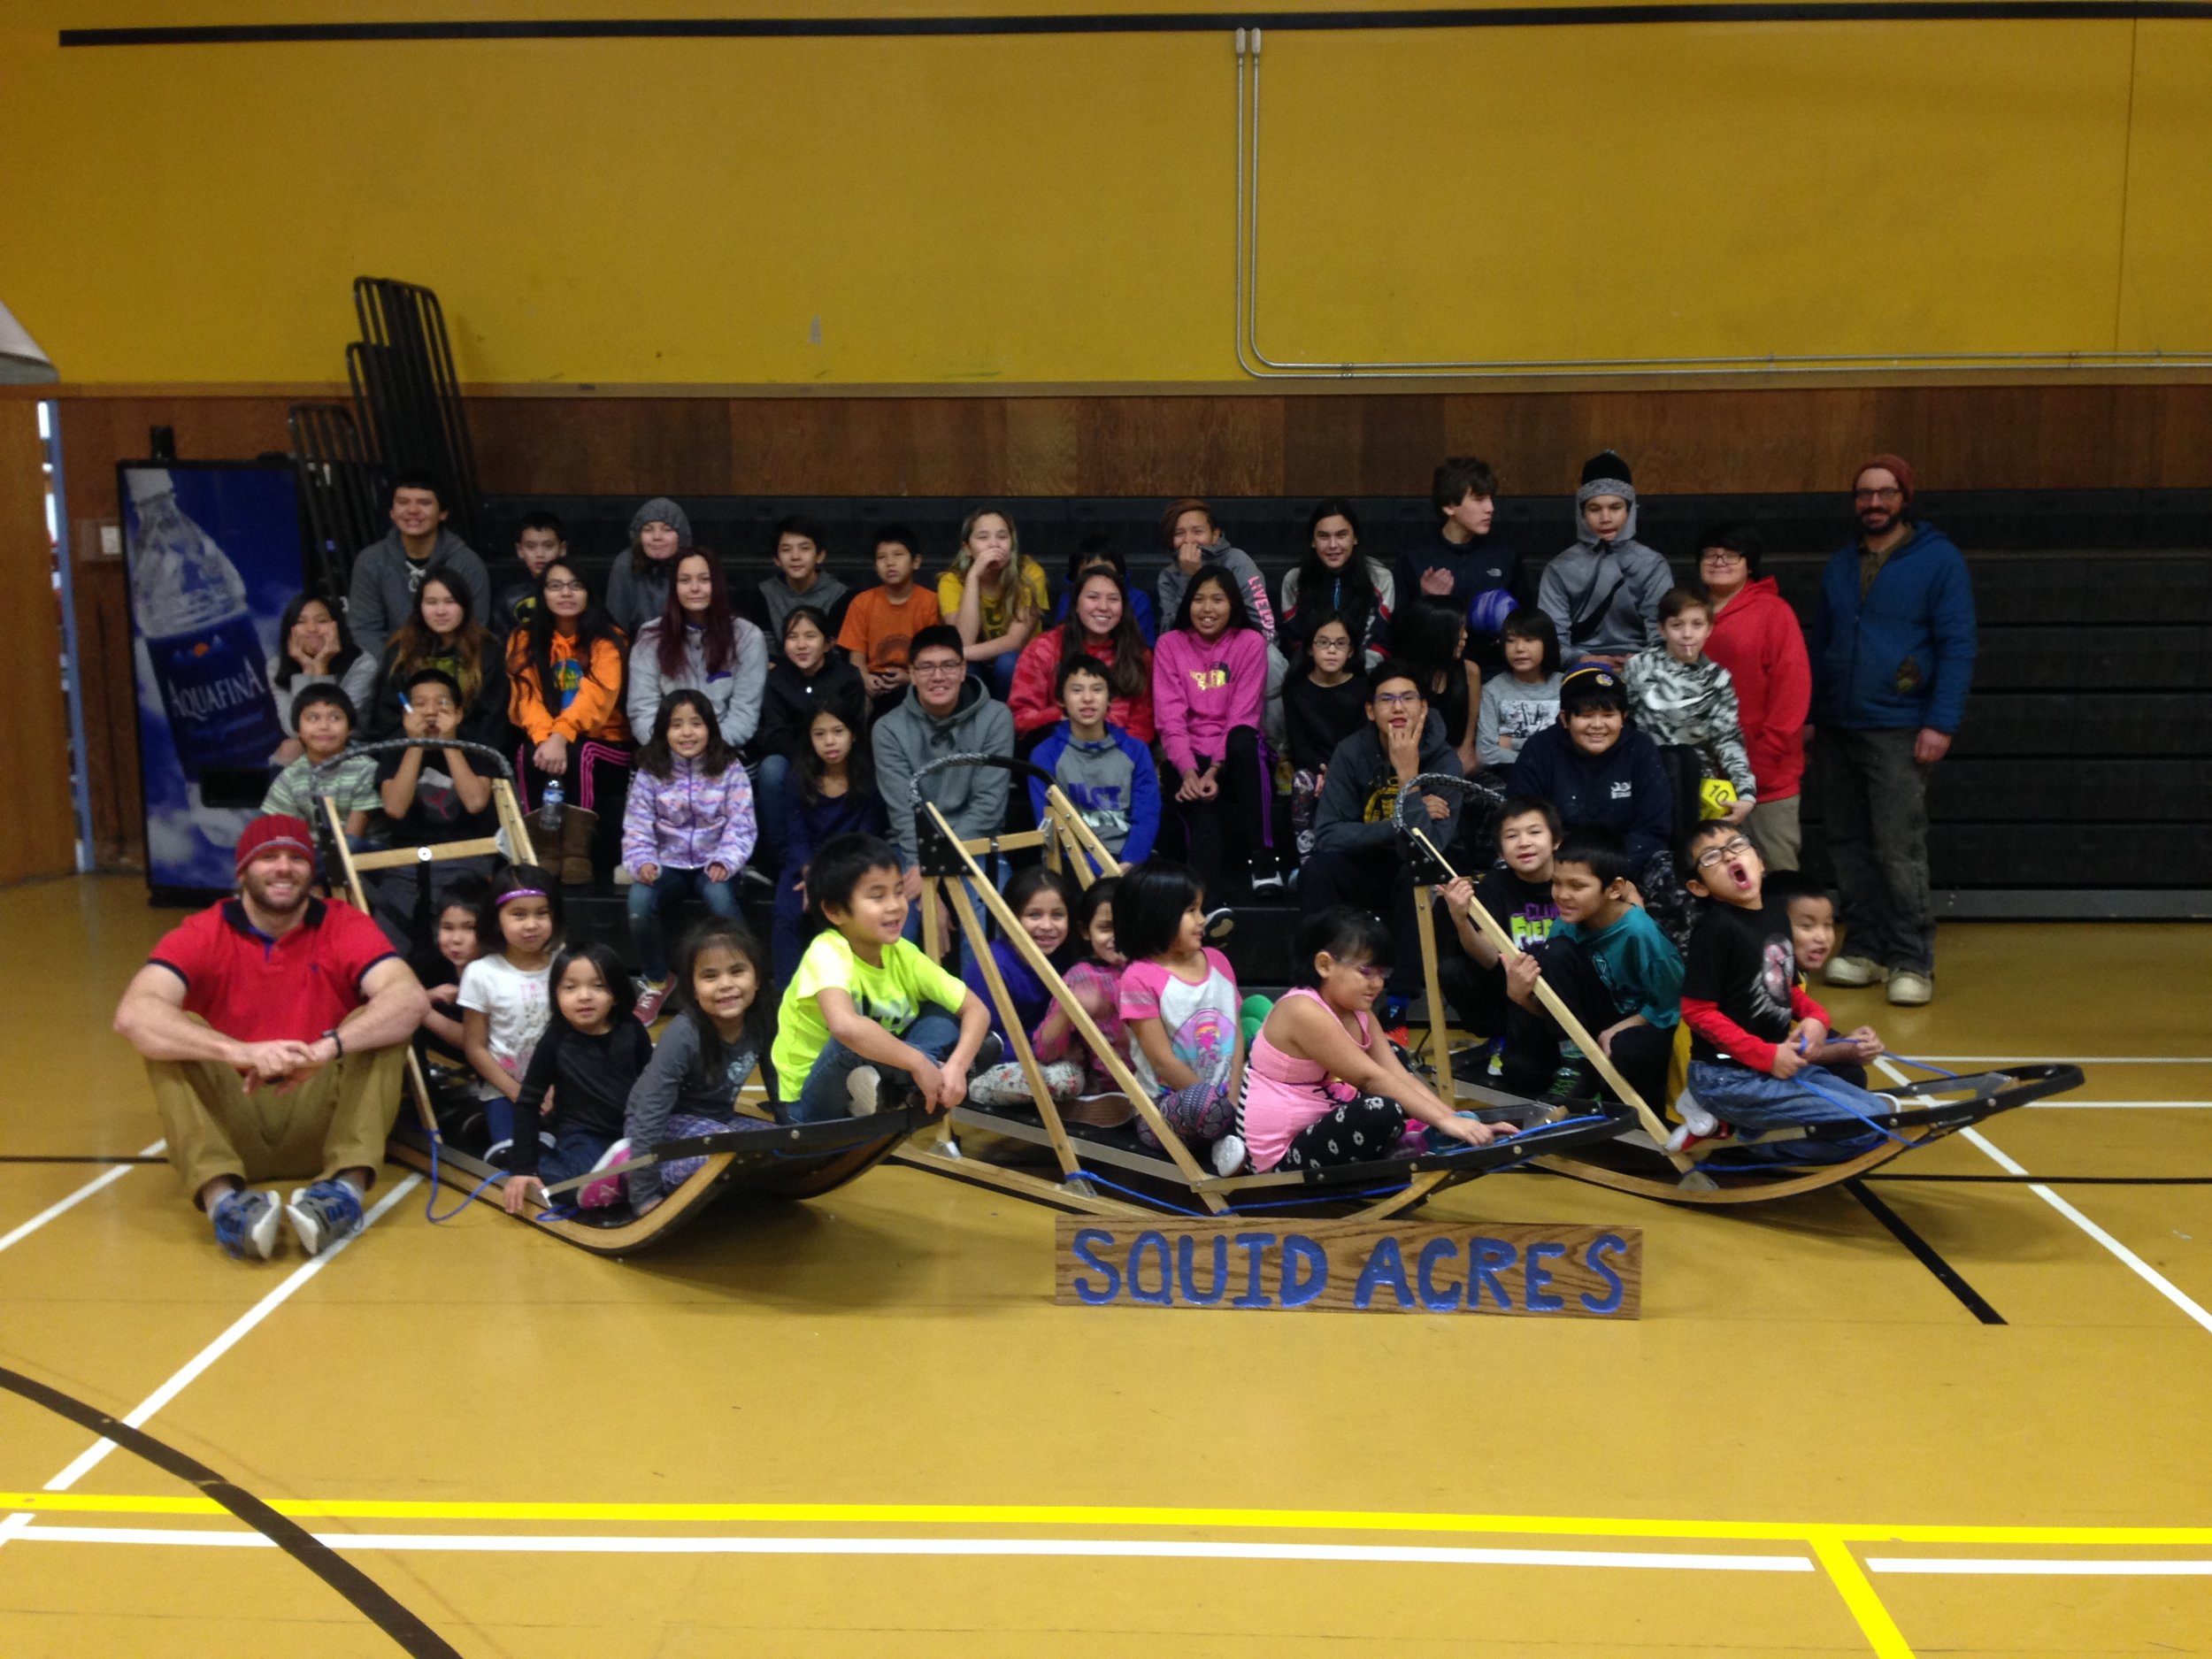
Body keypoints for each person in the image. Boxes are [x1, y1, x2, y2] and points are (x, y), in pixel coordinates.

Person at [111, 815, 428, 1259]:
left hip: (322, 1115)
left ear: (310, 871)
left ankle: (342, 1195)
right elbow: (133, 1014)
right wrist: (239, 1051)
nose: (283, 867)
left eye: (296, 857)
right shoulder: (205, 931)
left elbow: (410, 999)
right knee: (171, 1031)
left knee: (379, 1021)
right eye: (269, 858)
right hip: (235, 1114)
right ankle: (226, 1205)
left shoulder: (343, 923)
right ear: (242, 872)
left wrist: (324, 1049)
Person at [1809, 454, 1976, 1007]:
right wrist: (1812, 712)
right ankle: (1865, 948)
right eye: (1864, 494)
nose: (1874, 503)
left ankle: (1912, 959)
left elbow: (1957, 646)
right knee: (1847, 844)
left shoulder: (1939, 561)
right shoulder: (1839, 564)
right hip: (1837, 725)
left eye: (1885, 493)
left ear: (1905, 497)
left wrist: (1940, 722)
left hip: (1901, 727)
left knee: (1897, 847)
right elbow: (1821, 644)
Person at [1667, 823, 1892, 1159]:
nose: (1728, 855)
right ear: (1699, 887)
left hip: (1766, 1067)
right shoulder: (1715, 931)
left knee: (1879, 1113)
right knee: (1866, 1124)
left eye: (1736, 845)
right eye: (1712, 856)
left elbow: (1782, 985)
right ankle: (1736, 1149)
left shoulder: (1774, 916)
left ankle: (1732, 1128)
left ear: (1759, 861)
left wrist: (1816, 1018)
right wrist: (1767, 1056)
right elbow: (1698, 1013)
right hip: (1726, 1077)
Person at [1238, 907, 1510, 1176]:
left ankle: (1415, 1140)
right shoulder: (1302, 1009)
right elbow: (1370, 1079)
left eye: (1383, 973)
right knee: (1381, 1110)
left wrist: (1457, 1121)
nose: (1377, 984)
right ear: (1325, 965)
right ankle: (1409, 1145)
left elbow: (1396, 1073)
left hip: (1321, 1125)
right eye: (1366, 972)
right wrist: (1443, 1122)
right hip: (1281, 1155)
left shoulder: (1358, 1010)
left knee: (1394, 1055)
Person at [772, 833, 994, 1122]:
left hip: (877, 1071)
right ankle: (906, 1083)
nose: (895, 905)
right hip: (808, 1103)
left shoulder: (903, 952)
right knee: (853, 1039)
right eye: (877, 896)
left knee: (948, 1015)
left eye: (899, 891)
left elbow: (977, 1009)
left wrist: (957, 1068)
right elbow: (844, 1027)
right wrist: (921, 1063)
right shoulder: (826, 952)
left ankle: (893, 1089)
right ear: (835, 911)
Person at [1301, 659, 1462, 1021]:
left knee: (1415, 875)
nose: (1399, 707)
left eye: (1408, 698)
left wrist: (1409, 773)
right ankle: (1315, 986)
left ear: (1424, 707)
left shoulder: (1445, 760)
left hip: (1411, 867)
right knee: (1318, 870)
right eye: (1387, 699)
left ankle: (1398, 1004)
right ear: (1371, 711)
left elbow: (1428, 848)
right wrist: (1401, 819)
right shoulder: (1351, 751)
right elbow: (1328, 834)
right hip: (1364, 862)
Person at [1500, 825, 1682, 1110]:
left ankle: (1594, 1077)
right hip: (1586, 1030)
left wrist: (1619, 1028)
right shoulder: (1564, 924)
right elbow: (1560, 1012)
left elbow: (1671, 1004)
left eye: (1577, 886)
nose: (1562, 895)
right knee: (1518, 1069)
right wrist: (1520, 996)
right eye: (1557, 882)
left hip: (1636, 1025)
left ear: (1614, 889)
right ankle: (1578, 1067)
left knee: (1628, 1051)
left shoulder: (1639, 931)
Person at [618, 918, 776, 1210]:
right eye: (710, 976)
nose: (726, 985)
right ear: (692, 988)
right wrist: (644, 1193)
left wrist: (785, 1127)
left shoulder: (761, 1019)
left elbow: (774, 1075)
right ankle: (633, 1171)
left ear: (757, 978)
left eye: (737, 971)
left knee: (771, 1145)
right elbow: (650, 1111)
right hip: (663, 1124)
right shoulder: (684, 1034)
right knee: (725, 1149)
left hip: (716, 1120)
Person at [623, 689, 759, 1020]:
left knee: (721, 902)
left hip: (714, 865)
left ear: (710, 728)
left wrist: (725, 861)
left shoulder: (728, 768)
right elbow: (637, 826)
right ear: (663, 731)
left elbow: (742, 825)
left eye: (695, 724)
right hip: (666, 865)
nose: (686, 733)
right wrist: (642, 862)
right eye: (676, 725)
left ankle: (743, 977)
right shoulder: (650, 771)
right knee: (639, 905)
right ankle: (656, 980)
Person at [1114, 861, 1247, 1175]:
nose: (1202, 920)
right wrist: (1224, 1110)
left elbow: (1236, 1033)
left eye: (1201, 908)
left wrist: (1234, 1096)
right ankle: (1227, 1139)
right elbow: (1162, 1062)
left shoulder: (1218, 961)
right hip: (1165, 1110)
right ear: (1157, 914)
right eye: (1191, 910)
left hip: (1227, 1096)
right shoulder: (1139, 977)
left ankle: (1228, 1137)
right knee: (1204, 1106)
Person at [496, 944, 653, 1211]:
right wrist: (524, 1167)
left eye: (598, 986)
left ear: (616, 994)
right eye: (570, 988)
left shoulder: (632, 1029)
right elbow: (528, 1102)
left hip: (631, 1130)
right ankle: (534, 1153)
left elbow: (652, 1084)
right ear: (555, 994)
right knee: (576, 1186)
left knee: (662, 1172)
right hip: (583, 1134)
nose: (584, 996)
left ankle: (620, 1170)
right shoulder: (555, 1041)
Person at [1153, 569, 1280, 895]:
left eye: (1217, 599)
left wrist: (1214, 769)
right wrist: (1189, 772)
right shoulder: (1169, 645)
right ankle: (1204, 903)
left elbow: (1244, 715)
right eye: (1199, 599)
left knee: (1244, 740)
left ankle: (1264, 860)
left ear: (1233, 604)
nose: (1207, 609)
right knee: (1200, 809)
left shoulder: (1250, 643)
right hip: (1188, 757)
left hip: (1235, 760)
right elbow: (1170, 718)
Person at [506, 559, 633, 882]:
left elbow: (596, 698)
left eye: (576, 585)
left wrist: (560, 737)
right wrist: (545, 739)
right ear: (542, 594)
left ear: (589, 593)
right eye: (556, 586)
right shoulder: (523, 639)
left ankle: (577, 854)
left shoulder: (609, 639)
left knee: (581, 753)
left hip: (607, 741)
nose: (567, 593)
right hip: (548, 740)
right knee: (524, 753)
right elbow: (526, 697)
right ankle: (545, 851)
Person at [1698, 524, 1811, 870]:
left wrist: (1763, 758)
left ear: (1750, 564)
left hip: (1766, 776)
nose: (1719, 561)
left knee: (1776, 875)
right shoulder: (1688, 612)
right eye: (1710, 554)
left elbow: (1792, 690)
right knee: (1712, 877)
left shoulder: (1774, 613)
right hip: (1705, 779)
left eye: (1730, 554)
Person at [873, 625, 1016, 899]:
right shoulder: (887, 729)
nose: (938, 676)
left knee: (990, 911)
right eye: (926, 668)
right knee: (894, 915)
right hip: (912, 846)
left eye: (949, 665)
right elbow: (904, 812)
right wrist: (925, 870)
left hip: (978, 842)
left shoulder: (996, 718)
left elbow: (988, 806)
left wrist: (936, 865)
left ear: (963, 670)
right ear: (912, 674)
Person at [369, 666, 500, 948]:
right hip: (406, 863)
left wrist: (449, 742)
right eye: (419, 705)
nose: (430, 712)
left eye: (441, 704)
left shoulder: (477, 744)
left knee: (468, 934)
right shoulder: (395, 747)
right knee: (385, 941)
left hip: (467, 859)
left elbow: (476, 802)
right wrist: (416, 744)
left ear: (459, 713)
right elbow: (394, 808)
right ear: (406, 714)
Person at [1434, 796, 1563, 1074]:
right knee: (1452, 970)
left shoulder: (1570, 879)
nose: (1524, 842)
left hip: (1565, 990)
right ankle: (1500, 1038)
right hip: (1513, 993)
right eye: (1512, 836)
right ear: (1501, 852)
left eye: (1535, 832)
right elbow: (1489, 958)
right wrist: (1459, 918)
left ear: (1556, 841)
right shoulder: (1496, 884)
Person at [773, 692, 890, 982]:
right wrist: (810, 873)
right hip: (808, 864)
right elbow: (797, 836)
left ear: (852, 735)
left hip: (853, 863)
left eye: (838, 731)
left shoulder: (869, 777)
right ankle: (786, 996)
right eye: (820, 734)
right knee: (786, 911)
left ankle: (855, 988)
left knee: (852, 909)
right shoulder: (798, 777)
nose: (829, 741)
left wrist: (832, 878)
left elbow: (865, 837)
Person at [1624, 587, 1758, 836]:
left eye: (1697, 624)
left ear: (1709, 629)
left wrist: (1746, 793)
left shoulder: (1717, 679)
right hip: (1644, 783)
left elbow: (1727, 739)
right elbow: (1621, 724)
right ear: (1662, 628)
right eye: (1677, 625)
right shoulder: (1639, 668)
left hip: (1696, 789)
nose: (1687, 634)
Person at [1510, 665, 1672, 864]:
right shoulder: (1539, 749)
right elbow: (1523, 821)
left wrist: (1609, 872)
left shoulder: (1641, 748)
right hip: (1556, 864)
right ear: (1565, 719)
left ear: (1623, 717)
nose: (1597, 725)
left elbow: (1653, 829)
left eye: (1608, 715)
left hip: (1626, 861)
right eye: (1586, 716)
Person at [753, 604, 869, 877]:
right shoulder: (777, 679)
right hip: (794, 758)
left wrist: (827, 757)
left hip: (840, 756)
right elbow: (775, 733)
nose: (801, 645)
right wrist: (808, 761)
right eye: (793, 637)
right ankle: (783, 861)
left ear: (828, 643)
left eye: (810, 636)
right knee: (771, 769)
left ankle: (851, 856)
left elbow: (854, 729)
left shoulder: (847, 677)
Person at [457, 864, 559, 1167]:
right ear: (497, 919)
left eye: (541, 913)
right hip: (505, 1089)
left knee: (574, 1148)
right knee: (515, 1160)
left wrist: (556, 1087)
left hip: (560, 1089)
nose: (531, 924)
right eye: (519, 915)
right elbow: (474, 1047)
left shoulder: (564, 964)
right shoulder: (482, 973)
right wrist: (517, 1092)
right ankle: (487, 1125)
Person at [1537, 450, 1674, 670]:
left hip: (1643, 667)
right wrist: (1582, 660)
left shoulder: (1652, 565)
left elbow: (1664, 636)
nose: (1606, 518)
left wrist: (1641, 662)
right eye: (1594, 509)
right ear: (1582, 513)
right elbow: (1552, 641)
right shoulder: (1559, 569)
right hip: (1580, 667)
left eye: (1615, 507)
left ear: (1630, 510)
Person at [964, 866, 1088, 1107]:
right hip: (994, 1066)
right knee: (1062, 1081)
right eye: (1034, 915)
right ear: (1012, 917)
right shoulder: (992, 965)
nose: (1047, 925)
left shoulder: (1064, 956)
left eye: (1057, 915)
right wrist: (1052, 1051)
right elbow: (985, 1045)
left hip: (1050, 1055)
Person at [626, 547, 768, 755]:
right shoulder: (650, 637)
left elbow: (744, 714)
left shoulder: (747, 637)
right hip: (666, 751)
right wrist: (674, 750)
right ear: (674, 587)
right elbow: (642, 710)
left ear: (717, 584)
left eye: (704, 580)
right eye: (684, 581)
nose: (694, 588)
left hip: (724, 750)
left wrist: (705, 751)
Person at [1027, 656, 1161, 869]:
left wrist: (1130, 861)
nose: (1088, 699)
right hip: (1072, 861)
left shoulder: (1136, 751)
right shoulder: (1045, 754)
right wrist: (1103, 870)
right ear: (1061, 699)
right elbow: (1049, 826)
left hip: (1130, 859)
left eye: (1097, 690)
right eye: (1077, 690)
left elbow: (1147, 815)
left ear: (1110, 699)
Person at [1394, 457, 1522, 672]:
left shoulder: (1505, 554)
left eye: (1491, 499)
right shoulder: (1415, 556)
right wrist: (1427, 602)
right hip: (1435, 671)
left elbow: (1525, 617)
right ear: (1449, 506)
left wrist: (1511, 630)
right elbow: (1398, 632)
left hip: (1495, 670)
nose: (1490, 508)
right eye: (1479, 499)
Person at [347, 472, 488, 662]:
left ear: (443, 513)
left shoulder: (467, 563)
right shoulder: (370, 560)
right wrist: (399, 668)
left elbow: (475, 628)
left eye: (424, 502)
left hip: (452, 668)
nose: (412, 510)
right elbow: (364, 629)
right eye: (403, 502)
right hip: (388, 669)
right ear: (391, 512)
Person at [362, 565, 508, 747]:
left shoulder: (487, 650)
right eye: (431, 602)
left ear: (465, 606)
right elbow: (386, 717)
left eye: (450, 602)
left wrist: (451, 732)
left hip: (472, 749)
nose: (440, 611)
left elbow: (493, 721)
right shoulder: (401, 651)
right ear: (419, 607)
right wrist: (416, 732)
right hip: (409, 747)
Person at [1008, 566, 1155, 745]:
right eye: (1093, 597)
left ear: (1123, 607)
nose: (1103, 607)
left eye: (1113, 599)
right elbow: (1020, 717)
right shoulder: (1044, 648)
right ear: (1076, 604)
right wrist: (1064, 714)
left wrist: (1113, 756)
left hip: (1117, 755)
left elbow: (1141, 726)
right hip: (1056, 749)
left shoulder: (1137, 654)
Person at [1032, 875, 1130, 1098]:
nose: (1119, 937)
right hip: (1108, 1086)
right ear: (1086, 931)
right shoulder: (1081, 977)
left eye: (1128, 926)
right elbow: (1044, 1050)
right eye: (1106, 927)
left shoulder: (1150, 966)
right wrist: (1069, 1011)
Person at [939, 506, 1048, 698]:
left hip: (1021, 664)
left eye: (1002, 537)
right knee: (967, 669)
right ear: (967, 548)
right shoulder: (951, 581)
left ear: (1012, 543)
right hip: (977, 663)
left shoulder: (1030, 573)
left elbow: (1015, 641)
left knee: (1006, 662)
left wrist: (958, 654)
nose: (994, 545)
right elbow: (963, 639)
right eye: (983, 538)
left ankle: (1015, 725)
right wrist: (973, 577)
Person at [1283, 612, 1368, 860]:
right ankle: (1308, 857)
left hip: (1353, 766)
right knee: (1302, 781)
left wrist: (1337, 772)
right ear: (1310, 648)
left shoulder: (1363, 687)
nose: (1332, 650)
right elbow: (1299, 744)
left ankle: (1351, 854)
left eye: (1340, 643)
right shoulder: (1296, 689)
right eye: (1323, 642)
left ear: (1351, 651)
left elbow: (1361, 740)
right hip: (1314, 768)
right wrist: (1322, 771)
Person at [839, 523, 941, 719]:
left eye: (898, 555)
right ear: (875, 566)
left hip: (916, 679)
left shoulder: (931, 602)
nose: (890, 563)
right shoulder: (862, 602)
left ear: (916, 561)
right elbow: (856, 658)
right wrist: (865, 679)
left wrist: (911, 679)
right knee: (854, 696)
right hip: (874, 680)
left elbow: (935, 656)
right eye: (882, 557)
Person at [1279, 498, 1394, 666]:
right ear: (1313, 541)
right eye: (1324, 536)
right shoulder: (1294, 580)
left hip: (1364, 674)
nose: (1333, 545)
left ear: (1355, 538)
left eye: (1341, 535)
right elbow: (1296, 642)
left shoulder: (1380, 578)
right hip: (1311, 673)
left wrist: (1349, 678)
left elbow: (1378, 642)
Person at [261, 685, 379, 841]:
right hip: (309, 855)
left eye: (335, 718)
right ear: (298, 730)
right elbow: (284, 833)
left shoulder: (366, 769)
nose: (324, 726)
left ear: (350, 728)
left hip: (360, 853)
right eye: (313, 718)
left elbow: (354, 838)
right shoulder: (289, 777)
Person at [267, 592, 375, 763]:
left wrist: (321, 667)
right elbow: (294, 728)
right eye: (301, 622)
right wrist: (307, 667)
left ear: (336, 626)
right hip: (306, 743)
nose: (312, 629)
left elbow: (335, 727)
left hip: (352, 744)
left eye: (321, 621)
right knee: (290, 749)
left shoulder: (362, 663)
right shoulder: (276, 666)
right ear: (290, 629)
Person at [1156, 497, 1277, 641]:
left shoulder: (1238, 561)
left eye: (1198, 531)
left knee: (1272, 659)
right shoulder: (1168, 576)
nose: (1188, 540)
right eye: (1179, 534)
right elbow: (1168, 635)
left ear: (1215, 535)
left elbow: (1263, 623)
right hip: (1191, 650)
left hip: (1241, 645)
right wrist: (1188, 577)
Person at [1391, 597, 1482, 776]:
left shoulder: (1470, 671)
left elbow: (1470, 729)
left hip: (1458, 762)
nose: (1465, 636)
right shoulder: (1400, 676)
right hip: (1412, 762)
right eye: (1459, 629)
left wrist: (1465, 751)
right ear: (1438, 632)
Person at [1477, 609, 1564, 777]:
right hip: (1512, 775)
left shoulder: (1565, 685)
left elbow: (1573, 744)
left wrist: (1511, 742)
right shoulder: (1492, 690)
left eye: (1529, 640)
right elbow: (1486, 752)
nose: (1519, 648)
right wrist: (1536, 761)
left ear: (1548, 643)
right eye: (1511, 640)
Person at [754, 515, 852, 648]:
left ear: (820, 556)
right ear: (776, 559)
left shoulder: (841, 595)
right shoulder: (763, 594)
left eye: (804, 548)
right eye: (786, 550)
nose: (795, 556)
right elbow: (766, 652)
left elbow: (837, 652)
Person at [604, 496, 692, 638]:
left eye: (667, 529)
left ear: (681, 536)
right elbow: (615, 629)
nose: (657, 537)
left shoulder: (694, 564)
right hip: (637, 652)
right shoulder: (624, 565)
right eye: (648, 529)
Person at [1049, 534, 1156, 642]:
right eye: (1089, 573)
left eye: (1106, 571)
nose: (1098, 578)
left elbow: (1143, 645)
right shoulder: (1067, 599)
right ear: (1076, 576)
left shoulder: (1138, 599)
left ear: (1119, 572)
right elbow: (1060, 641)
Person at [495, 511, 566, 637]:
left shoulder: (577, 590)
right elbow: (502, 642)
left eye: (548, 546)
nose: (540, 554)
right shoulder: (509, 596)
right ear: (520, 550)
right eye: (531, 547)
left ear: (562, 549)